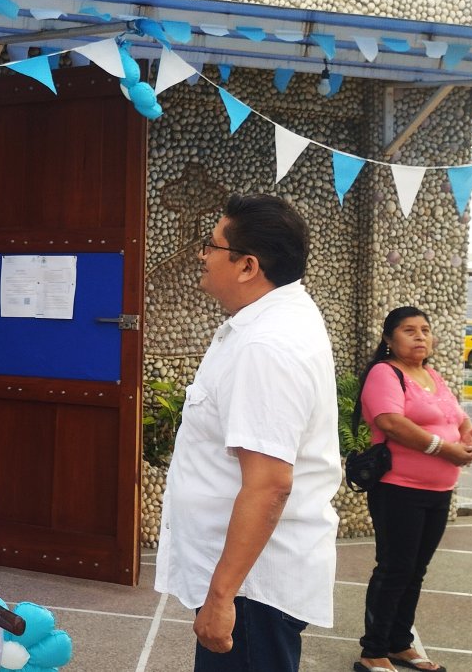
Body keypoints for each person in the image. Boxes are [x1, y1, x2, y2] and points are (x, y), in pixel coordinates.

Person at [155, 193, 342, 671]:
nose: (201, 253)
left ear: (246, 266)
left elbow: (269, 484)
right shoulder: (266, 323)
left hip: (251, 591)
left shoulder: (267, 345)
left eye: (212, 244)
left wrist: (222, 598)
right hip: (246, 581)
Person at [352, 307, 472, 672]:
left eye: (425, 329)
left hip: (439, 490)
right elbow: (391, 422)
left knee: (416, 569)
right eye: (409, 330)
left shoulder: (431, 375)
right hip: (398, 489)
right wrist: (443, 449)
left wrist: (467, 436)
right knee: (395, 568)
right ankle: (373, 651)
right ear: (389, 340)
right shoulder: (384, 373)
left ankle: (399, 643)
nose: (420, 336)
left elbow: (458, 416)